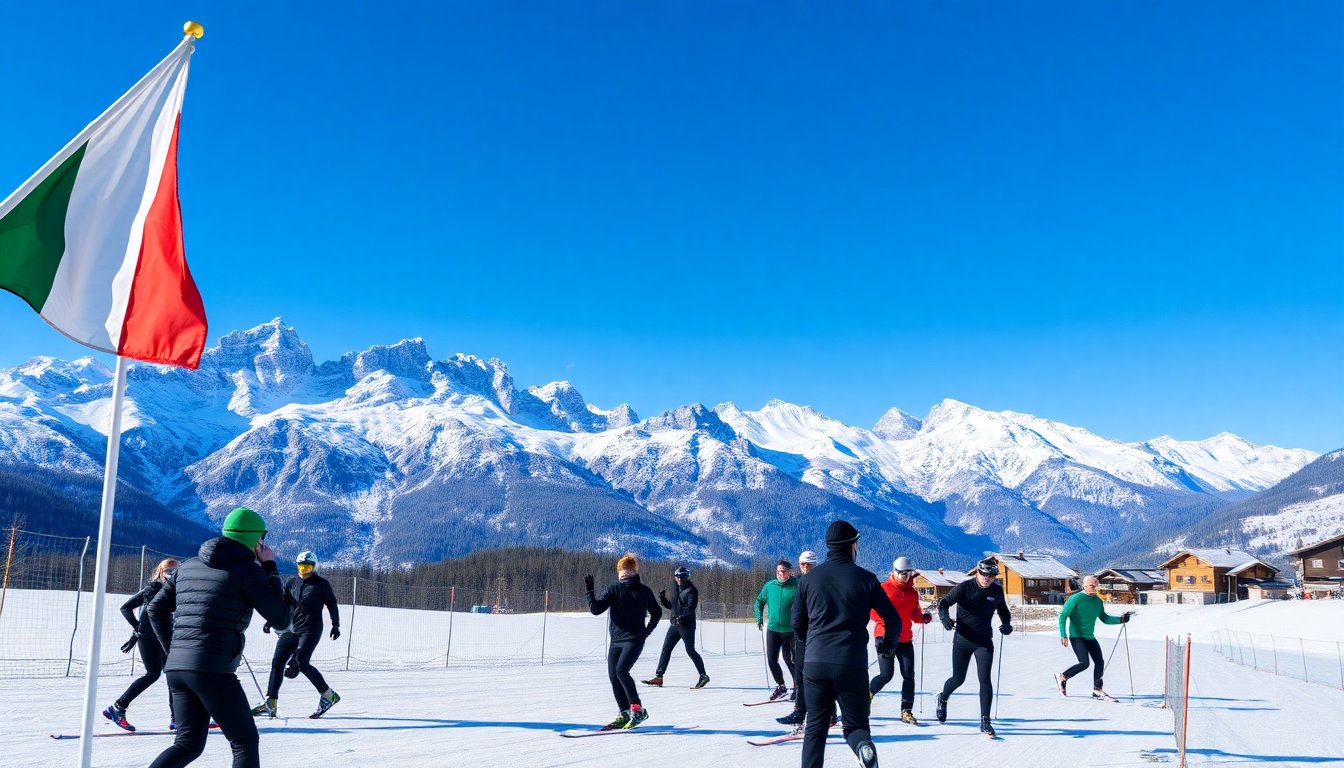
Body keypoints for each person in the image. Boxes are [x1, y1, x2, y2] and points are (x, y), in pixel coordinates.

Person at [146, 506, 290, 768]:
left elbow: (155, 608)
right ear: (255, 539)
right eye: (262, 538)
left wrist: (175, 649)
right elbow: (281, 618)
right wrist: (270, 567)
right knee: (244, 741)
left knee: (187, 744)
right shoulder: (248, 571)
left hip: (178, 669)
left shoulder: (188, 566)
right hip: (213, 669)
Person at [792, 521, 902, 768]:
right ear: (853, 546)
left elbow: (797, 622)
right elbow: (893, 619)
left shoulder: (809, 580)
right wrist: (887, 647)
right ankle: (863, 748)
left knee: (816, 728)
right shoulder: (866, 579)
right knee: (856, 726)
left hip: (815, 663)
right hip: (851, 663)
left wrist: (811, 643)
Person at [252, 551, 341, 719]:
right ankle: (271, 702)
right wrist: (271, 620)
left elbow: (332, 604)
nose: (304, 570)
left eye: (307, 567)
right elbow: (282, 602)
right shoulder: (291, 582)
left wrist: (335, 624)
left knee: (301, 662)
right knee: (278, 661)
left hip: (311, 630)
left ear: (314, 567)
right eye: (301, 567)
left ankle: (329, 695)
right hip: (292, 629)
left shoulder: (321, 584)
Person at [935, 558, 1013, 737]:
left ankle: (985, 720)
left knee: (984, 679)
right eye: (984, 573)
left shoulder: (997, 590)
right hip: (962, 640)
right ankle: (943, 697)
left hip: (984, 641)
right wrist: (945, 619)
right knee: (958, 678)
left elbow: (1003, 611)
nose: (986, 577)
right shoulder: (964, 587)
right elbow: (943, 604)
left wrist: (1007, 624)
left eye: (991, 575)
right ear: (977, 572)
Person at [586, 553, 661, 730]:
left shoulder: (644, 591)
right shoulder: (613, 590)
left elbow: (656, 613)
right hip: (617, 640)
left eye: (626, 569)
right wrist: (590, 591)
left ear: (633, 571)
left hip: (634, 639)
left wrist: (646, 632)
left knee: (621, 670)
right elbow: (596, 610)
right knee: (613, 675)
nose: (623, 573)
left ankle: (637, 710)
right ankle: (624, 713)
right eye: (620, 570)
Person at [102, 558, 179, 732]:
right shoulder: (154, 588)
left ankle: (177, 718)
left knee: (174, 675)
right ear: (160, 571)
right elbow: (128, 608)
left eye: (175, 570)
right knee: (153, 674)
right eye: (168, 570)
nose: (172, 573)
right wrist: (137, 628)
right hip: (150, 639)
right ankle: (117, 707)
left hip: (165, 638)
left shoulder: (172, 588)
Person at [869, 556, 933, 724]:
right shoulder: (884, 589)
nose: (904, 576)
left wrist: (924, 618)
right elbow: (873, 613)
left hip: (905, 639)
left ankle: (906, 711)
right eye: (901, 573)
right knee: (886, 675)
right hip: (886, 638)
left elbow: (914, 614)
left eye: (907, 573)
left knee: (908, 675)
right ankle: (866, 696)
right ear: (894, 572)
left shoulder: (912, 593)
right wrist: (884, 632)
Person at [777, 550, 833, 729]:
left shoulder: (824, 582)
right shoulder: (800, 583)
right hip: (802, 635)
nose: (805, 567)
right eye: (802, 564)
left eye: (808, 564)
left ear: (815, 564)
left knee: (822, 674)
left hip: (820, 635)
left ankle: (830, 713)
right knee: (800, 672)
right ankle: (799, 712)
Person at [1054, 574, 1132, 702]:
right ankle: (1063, 676)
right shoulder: (1075, 598)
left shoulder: (1097, 601)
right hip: (1076, 636)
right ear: (1085, 585)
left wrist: (1121, 619)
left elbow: (1105, 618)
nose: (1093, 588)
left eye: (1095, 586)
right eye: (1091, 585)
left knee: (1099, 662)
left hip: (1090, 636)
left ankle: (1097, 690)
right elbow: (1063, 616)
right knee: (1084, 663)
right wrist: (1063, 635)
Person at [641, 565, 709, 688]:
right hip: (675, 625)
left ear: (687, 577)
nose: (680, 578)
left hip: (686, 626)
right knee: (666, 649)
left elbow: (690, 607)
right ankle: (659, 677)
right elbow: (672, 606)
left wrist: (681, 617)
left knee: (690, 651)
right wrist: (662, 599)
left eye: (682, 576)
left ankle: (703, 675)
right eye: (677, 576)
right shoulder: (676, 589)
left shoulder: (691, 590)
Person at [754, 559, 798, 700]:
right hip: (773, 629)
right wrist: (759, 616)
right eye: (779, 570)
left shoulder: (796, 586)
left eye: (784, 571)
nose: (781, 573)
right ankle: (781, 686)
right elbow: (759, 601)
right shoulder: (770, 586)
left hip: (790, 631)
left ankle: (798, 688)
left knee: (789, 659)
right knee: (772, 659)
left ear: (789, 572)